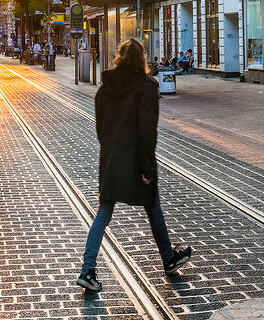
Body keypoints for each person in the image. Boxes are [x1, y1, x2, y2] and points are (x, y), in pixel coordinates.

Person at [76, 40, 191, 292]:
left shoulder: (105, 87)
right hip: (137, 160)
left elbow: (100, 127)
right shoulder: (147, 87)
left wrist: (110, 150)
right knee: (152, 206)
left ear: (119, 58)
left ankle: (87, 269)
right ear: (141, 59)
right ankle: (168, 258)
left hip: (111, 157)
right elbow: (147, 132)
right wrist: (148, 169)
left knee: (104, 212)